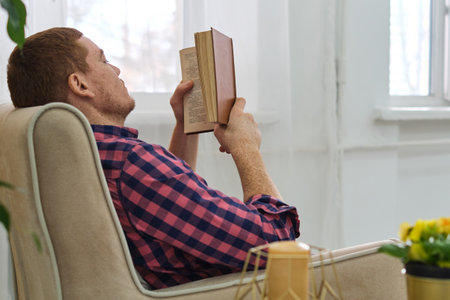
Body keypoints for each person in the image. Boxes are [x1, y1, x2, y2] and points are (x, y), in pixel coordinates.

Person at [7, 27, 300, 289]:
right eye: (104, 60)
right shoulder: (132, 164)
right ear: (80, 85)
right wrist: (246, 148)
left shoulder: (76, 158)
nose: (117, 70)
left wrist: (185, 128)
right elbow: (277, 243)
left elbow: (159, 212)